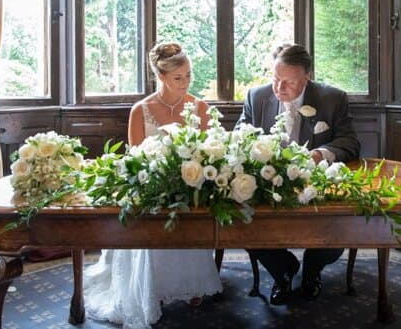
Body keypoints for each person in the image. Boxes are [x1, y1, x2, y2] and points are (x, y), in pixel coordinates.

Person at [84, 42, 223, 329]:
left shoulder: (200, 108)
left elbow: (209, 153)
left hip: (189, 186)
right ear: (160, 76)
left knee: (189, 212)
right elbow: (135, 159)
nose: (185, 83)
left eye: (188, 75)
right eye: (178, 78)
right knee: (150, 216)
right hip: (151, 188)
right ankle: (153, 287)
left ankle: (191, 283)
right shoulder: (141, 110)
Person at [236, 43, 360, 305]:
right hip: (267, 187)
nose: (279, 88)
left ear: (306, 78)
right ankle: (282, 270)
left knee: (339, 225)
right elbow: (238, 141)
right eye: (275, 79)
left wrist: (321, 154)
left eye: (289, 82)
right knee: (241, 220)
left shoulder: (332, 98)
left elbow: (350, 143)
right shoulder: (256, 97)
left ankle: (313, 271)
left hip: (316, 186)